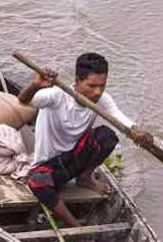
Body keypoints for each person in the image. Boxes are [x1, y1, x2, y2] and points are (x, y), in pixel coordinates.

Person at [19, 53, 153, 231]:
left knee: (107, 136)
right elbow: (23, 100)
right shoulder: (56, 96)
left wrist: (137, 131)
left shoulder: (102, 99)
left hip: (74, 160)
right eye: (92, 86)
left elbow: (119, 117)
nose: (97, 92)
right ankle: (77, 228)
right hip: (51, 165)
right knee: (37, 181)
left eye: (102, 86)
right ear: (77, 81)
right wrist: (36, 85)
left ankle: (85, 178)